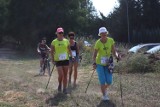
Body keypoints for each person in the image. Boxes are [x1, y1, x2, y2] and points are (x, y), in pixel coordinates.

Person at [92, 27, 120, 101]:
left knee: (109, 81)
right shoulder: (98, 43)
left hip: (109, 63)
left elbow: (114, 51)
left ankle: (104, 89)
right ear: (100, 35)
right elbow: (94, 55)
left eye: (105, 33)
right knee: (102, 80)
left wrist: (117, 56)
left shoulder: (111, 40)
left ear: (106, 33)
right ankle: (104, 95)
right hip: (99, 63)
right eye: (102, 34)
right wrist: (94, 63)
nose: (104, 35)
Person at [50, 27, 73, 94]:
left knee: (65, 75)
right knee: (61, 74)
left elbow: (69, 50)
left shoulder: (66, 41)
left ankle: (64, 88)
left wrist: (72, 56)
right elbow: (52, 51)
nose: (61, 34)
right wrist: (52, 59)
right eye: (59, 33)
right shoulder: (54, 42)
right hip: (58, 60)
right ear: (57, 33)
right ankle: (60, 84)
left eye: (62, 32)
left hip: (66, 59)